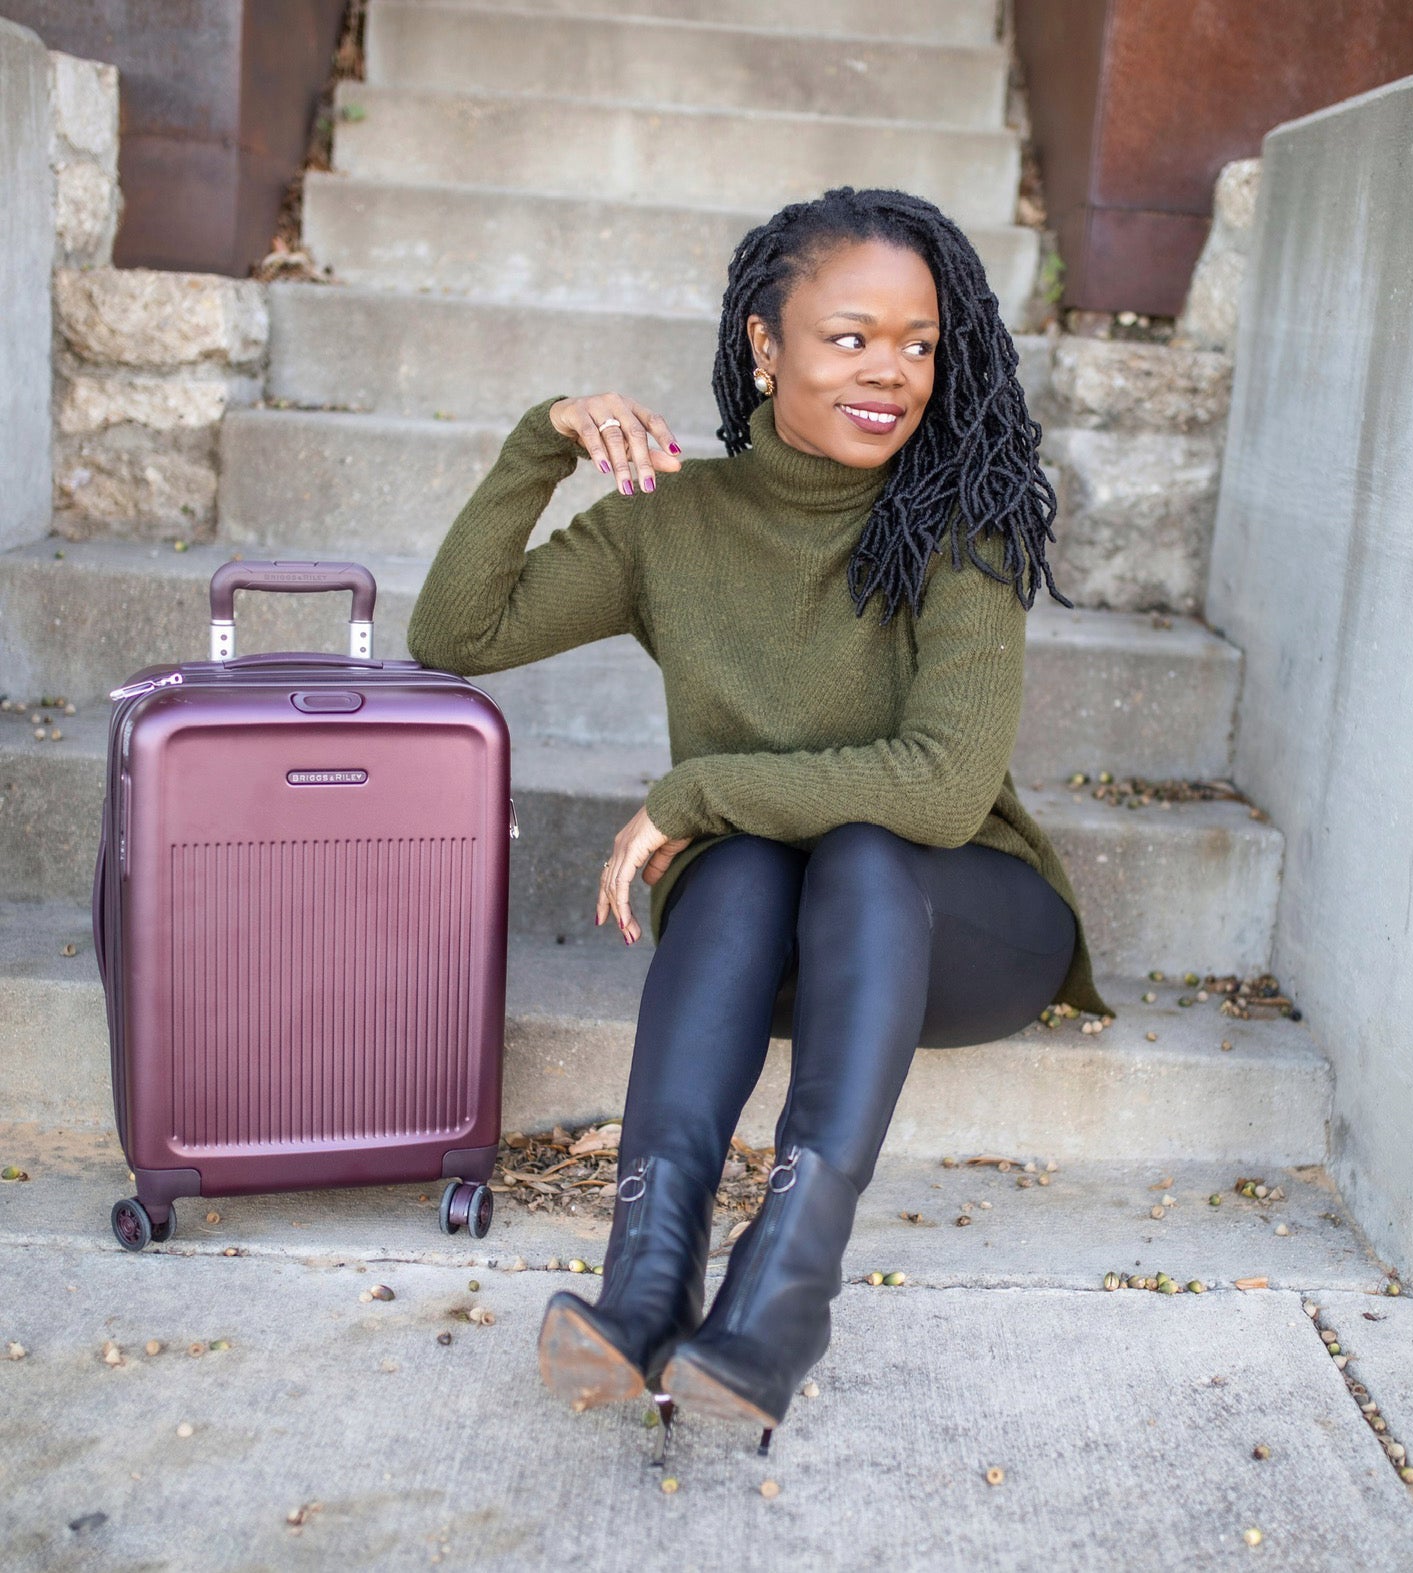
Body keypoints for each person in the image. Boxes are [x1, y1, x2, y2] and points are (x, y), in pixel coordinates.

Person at [406, 185, 1114, 1450]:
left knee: (847, 843)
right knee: (727, 875)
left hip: (956, 923)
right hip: (773, 941)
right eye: (851, 337)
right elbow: (455, 634)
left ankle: (785, 1291)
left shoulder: (966, 521)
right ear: (764, 344)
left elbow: (944, 786)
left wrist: (699, 790)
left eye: (919, 344)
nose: (891, 374)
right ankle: (644, 1289)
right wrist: (546, 438)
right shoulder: (674, 518)